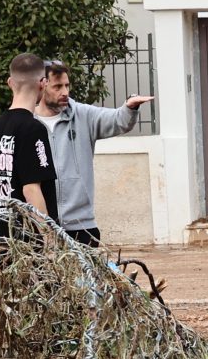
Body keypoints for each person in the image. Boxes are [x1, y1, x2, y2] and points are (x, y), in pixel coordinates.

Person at [35, 59, 151, 246]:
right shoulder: (27, 123)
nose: (65, 92)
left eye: (67, 85)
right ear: (42, 85)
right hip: (40, 226)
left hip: (81, 226)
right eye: (57, 87)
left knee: (84, 276)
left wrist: (130, 107)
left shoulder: (82, 115)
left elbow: (116, 120)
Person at [0, 53, 58, 231]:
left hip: (1, 238)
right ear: (43, 83)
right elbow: (31, 190)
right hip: (28, 242)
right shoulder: (33, 129)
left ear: (10, 83)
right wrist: (50, 240)